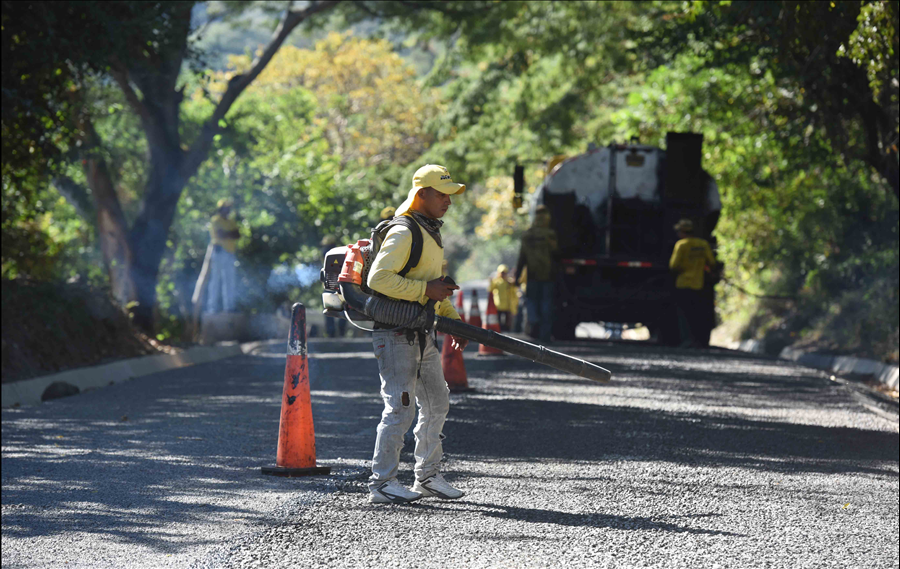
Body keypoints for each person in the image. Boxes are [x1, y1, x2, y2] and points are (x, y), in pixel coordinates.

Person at [365, 164, 469, 504]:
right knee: (400, 409)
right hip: (395, 334)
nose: (448, 202)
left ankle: (427, 476)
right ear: (421, 194)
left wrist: (455, 322)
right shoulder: (404, 231)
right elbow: (377, 280)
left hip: (422, 333)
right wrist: (426, 288)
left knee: (437, 402)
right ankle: (382, 483)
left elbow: (435, 288)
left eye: (450, 195)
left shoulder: (429, 232)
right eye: (442, 194)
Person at [668, 219, 716, 348]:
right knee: (697, 314)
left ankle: (686, 340)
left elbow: (673, 265)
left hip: (683, 284)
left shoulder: (681, 245)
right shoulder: (703, 244)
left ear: (683, 232)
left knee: (684, 315)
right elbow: (711, 262)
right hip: (698, 285)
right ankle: (698, 341)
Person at [515, 205, 558, 343]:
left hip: (532, 276)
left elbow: (522, 258)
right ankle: (545, 335)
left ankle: (534, 327)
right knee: (546, 305)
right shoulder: (550, 234)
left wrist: (517, 276)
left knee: (532, 302)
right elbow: (557, 254)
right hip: (548, 276)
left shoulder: (527, 235)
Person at [206, 198, 241, 313]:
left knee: (229, 280)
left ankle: (229, 307)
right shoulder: (215, 220)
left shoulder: (231, 221)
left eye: (229, 208)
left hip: (230, 253)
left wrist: (228, 234)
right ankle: (212, 308)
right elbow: (220, 234)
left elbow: (237, 235)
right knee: (215, 280)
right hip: (219, 252)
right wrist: (230, 233)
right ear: (221, 208)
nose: (228, 210)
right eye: (226, 207)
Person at [321, 235, 347, 338]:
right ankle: (341, 332)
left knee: (329, 309)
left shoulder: (324, 252)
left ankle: (331, 333)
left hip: (328, 285)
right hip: (341, 284)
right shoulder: (340, 251)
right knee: (343, 308)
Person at [488, 264, 517, 332]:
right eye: (502, 273)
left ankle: (507, 330)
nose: (503, 274)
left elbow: (513, 292)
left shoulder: (509, 282)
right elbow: (490, 289)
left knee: (507, 320)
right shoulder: (496, 281)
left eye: (504, 273)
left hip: (507, 305)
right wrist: (491, 282)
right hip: (498, 304)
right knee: (498, 320)